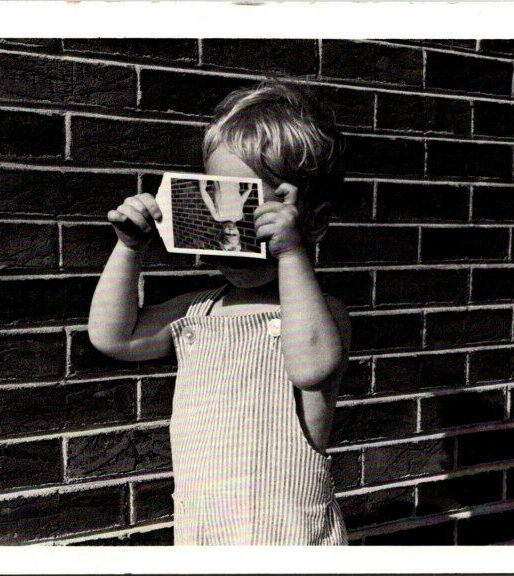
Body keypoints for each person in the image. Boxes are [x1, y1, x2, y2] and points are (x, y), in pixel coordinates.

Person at [88, 81, 350, 545]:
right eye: (219, 203)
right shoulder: (199, 312)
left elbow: (311, 368)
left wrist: (291, 252)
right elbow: (114, 336)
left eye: (258, 208)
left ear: (315, 222)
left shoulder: (318, 314)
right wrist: (129, 248)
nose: (235, 226)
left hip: (289, 534)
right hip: (207, 531)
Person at [199, 180, 255, 251]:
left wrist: (202, 190)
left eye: (227, 234)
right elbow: (241, 202)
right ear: (238, 233)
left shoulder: (218, 217)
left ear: (221, 232)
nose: (231, 231)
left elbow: (209, 203)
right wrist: (248, 190)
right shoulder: (239, 216)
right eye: (234, 234)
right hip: (234, 183)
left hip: (221, 182)